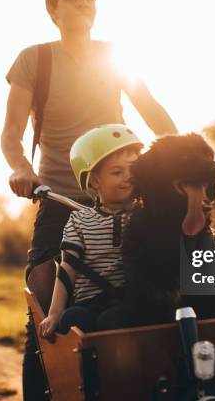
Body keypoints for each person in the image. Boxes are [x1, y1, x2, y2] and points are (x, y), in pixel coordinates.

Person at [0, 0, 177, 398]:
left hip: (123, 199)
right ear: (52, 10)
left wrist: (179, 155)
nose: (83, 3)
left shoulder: (115, 56)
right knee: (44, 310)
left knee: (147, 296)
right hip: (59, 199)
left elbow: (152, 110)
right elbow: (11, 133)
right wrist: (21, 169)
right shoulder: (34, 60)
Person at [39, 124, 141, 338]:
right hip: (90, 301)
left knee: (112, 321)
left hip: (130, 299)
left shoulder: (143, 215)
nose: (128, 176)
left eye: (134, 170)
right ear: (95, 181)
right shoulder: (79, 220)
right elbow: (67, 268)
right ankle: (86, 367)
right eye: (117, 171)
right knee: (72, 319)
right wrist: (54, 313)